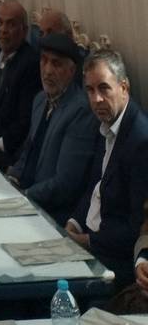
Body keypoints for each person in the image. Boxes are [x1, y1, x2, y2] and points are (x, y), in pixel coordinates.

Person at [64, 50, 148, 284]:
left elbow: (137, 226)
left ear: (124, 87)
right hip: (88, 239)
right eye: (90, 90)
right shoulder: (106, 124)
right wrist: (73, 222)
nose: (96, 99)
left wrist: (86, 241)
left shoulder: (141, 141)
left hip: (114, 259)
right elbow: (96, 187)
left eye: (104, 88)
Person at [6, 32, 97, 225]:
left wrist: (24, 196)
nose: (47, 71)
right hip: (26, 196)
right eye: (44, 61)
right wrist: (12, 177)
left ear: (72, 71)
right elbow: (28, 151)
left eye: (56, 64)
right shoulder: (40, 100)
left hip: (52, 212)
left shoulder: (81, 111)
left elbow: (65, 183)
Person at [0, 1, 41, 169]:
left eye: (11, 24)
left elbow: (25, 120)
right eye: (0, 23)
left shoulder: (30, 64)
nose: (3, 30)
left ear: (24, 31)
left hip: (11, 153)